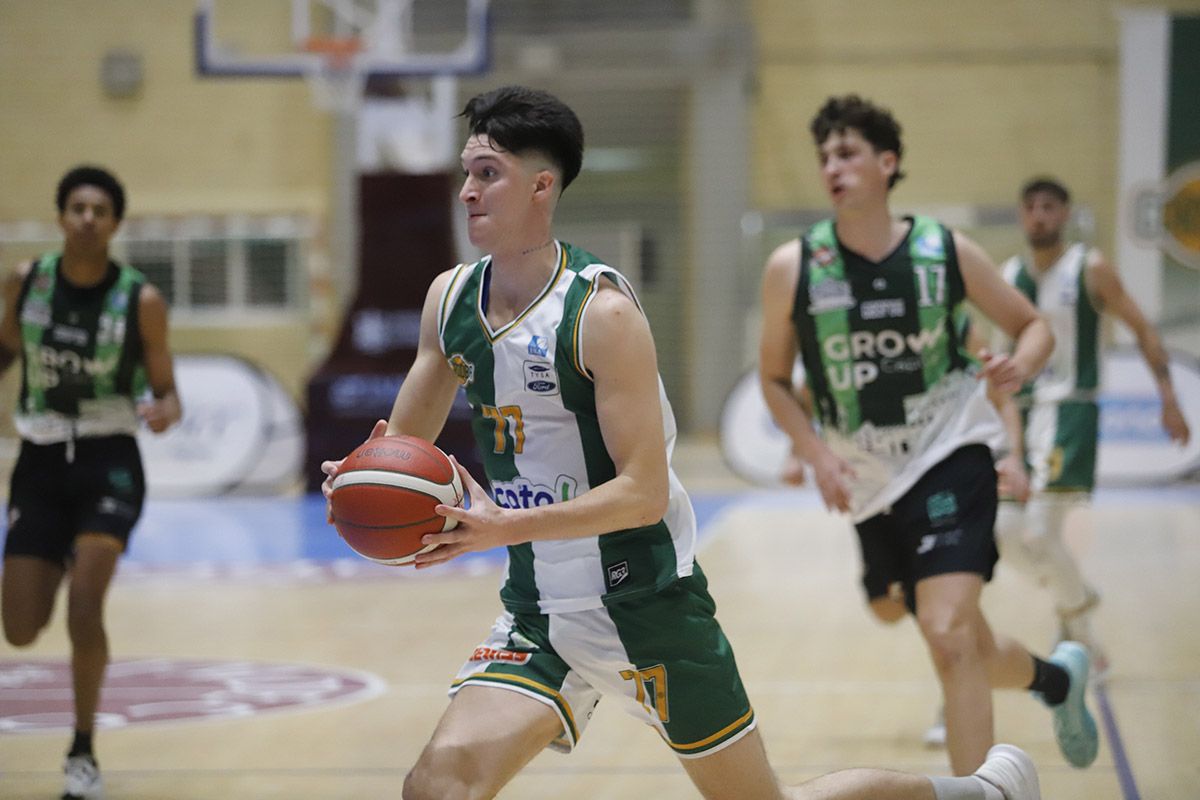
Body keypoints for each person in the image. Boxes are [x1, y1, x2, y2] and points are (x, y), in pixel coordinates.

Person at [323, 85, 1044, 800]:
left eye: (487, 174)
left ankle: (978, 792)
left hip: (648, 603)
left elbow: (643, 494)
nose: (466, 192)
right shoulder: (449, 301)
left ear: (541, 185)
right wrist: (357, 482)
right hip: (538, 609)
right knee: (436, 785)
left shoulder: (600, 314)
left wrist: (504, 526)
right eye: (466, 173)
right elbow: (401, 449)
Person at [757, 94, 1099, 777]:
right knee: (921, 623)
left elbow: (1034, 326)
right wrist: (816, 453)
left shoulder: (943, 250)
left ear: (888, 164)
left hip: (948, 451)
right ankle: (1055, 681)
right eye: (825, 156)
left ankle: (986, 791)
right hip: (866, 473)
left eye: (848, 152)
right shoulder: (794, 267)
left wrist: (1018, 368)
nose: (833, 166)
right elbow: (772, 379)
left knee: (946, 635)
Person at [0, 165, 182, 800]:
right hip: (41, 460)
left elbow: (168, 395)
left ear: (114, 223)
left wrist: (163, 410)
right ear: (60, 217)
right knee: (20, 627)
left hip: (109, 461)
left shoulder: (141, 300)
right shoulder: (27, 283)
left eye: (99, 209)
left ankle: (82, 750)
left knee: (86, 603)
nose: (86, 218)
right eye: (76, 207)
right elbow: (4, 349)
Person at [991, 177, 1192, 678]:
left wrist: (1168, 399)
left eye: (1049, 207)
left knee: (1040, 532)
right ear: (1021, 215)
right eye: (1031, 207)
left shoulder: (1090, 267)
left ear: (1065, 214)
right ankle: (1076, 595)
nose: (1039, 215)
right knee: (1004, 533)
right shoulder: (1008, 274)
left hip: (1072, 411)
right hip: (1025, 412)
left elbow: (1143, 329)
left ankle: (1085, 643)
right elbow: (1000, 363)